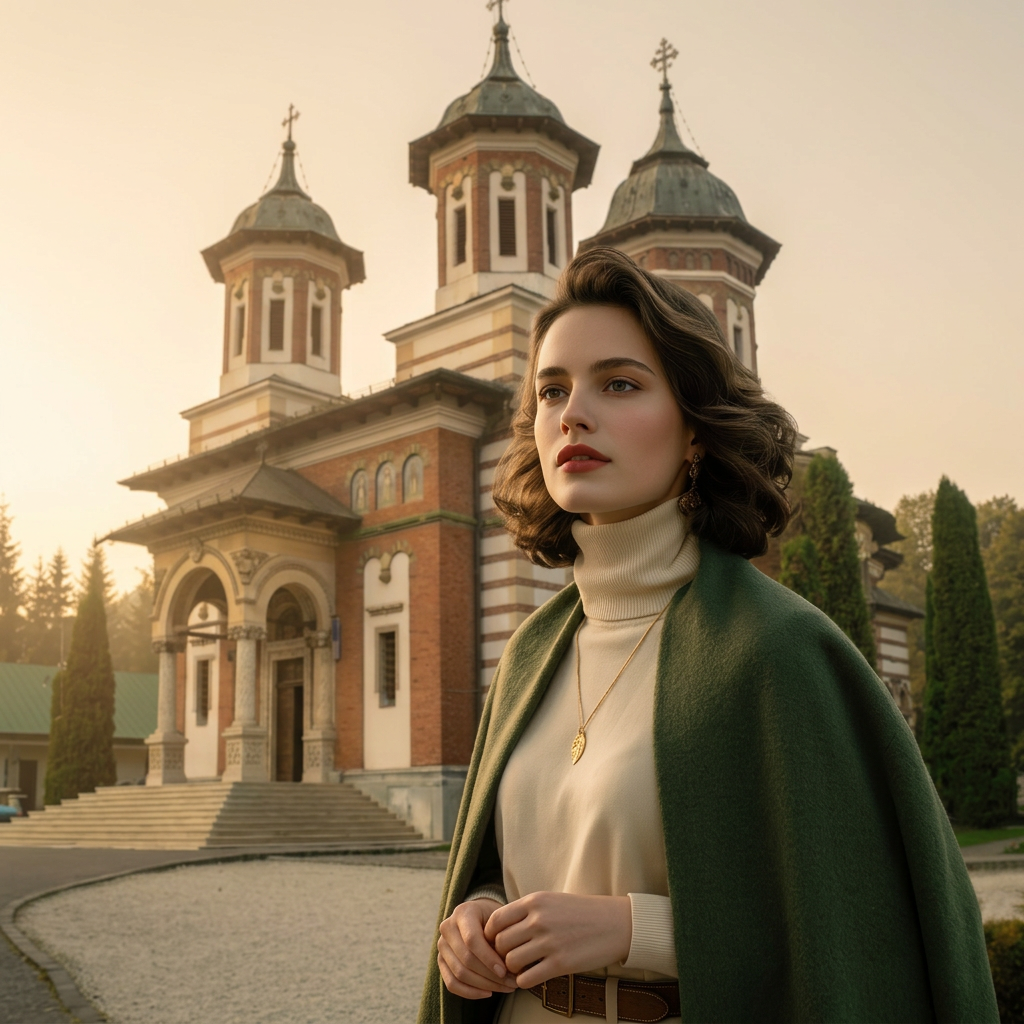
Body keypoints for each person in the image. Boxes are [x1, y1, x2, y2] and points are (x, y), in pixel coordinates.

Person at [419, 247, 997, 1023]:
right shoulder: (531, 653)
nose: (573, 412)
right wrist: (474, 916)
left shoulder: (779, 650)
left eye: (618, 383)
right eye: (552, 389)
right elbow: (500, 863)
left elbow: (861, 924)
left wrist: (635, 928)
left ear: (695, 430)